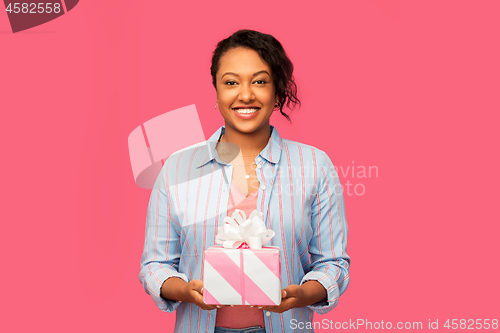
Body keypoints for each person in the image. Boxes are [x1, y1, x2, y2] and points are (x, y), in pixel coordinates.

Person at [139, 29, 350, 333]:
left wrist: (301, 294)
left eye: (260, 81)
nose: (246, 94)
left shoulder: (315, 166)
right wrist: (185, 291)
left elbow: (334, 264)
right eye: (231, 82)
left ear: (277, 92)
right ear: (216, 91)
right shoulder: (177, 168)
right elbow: (154, 266)